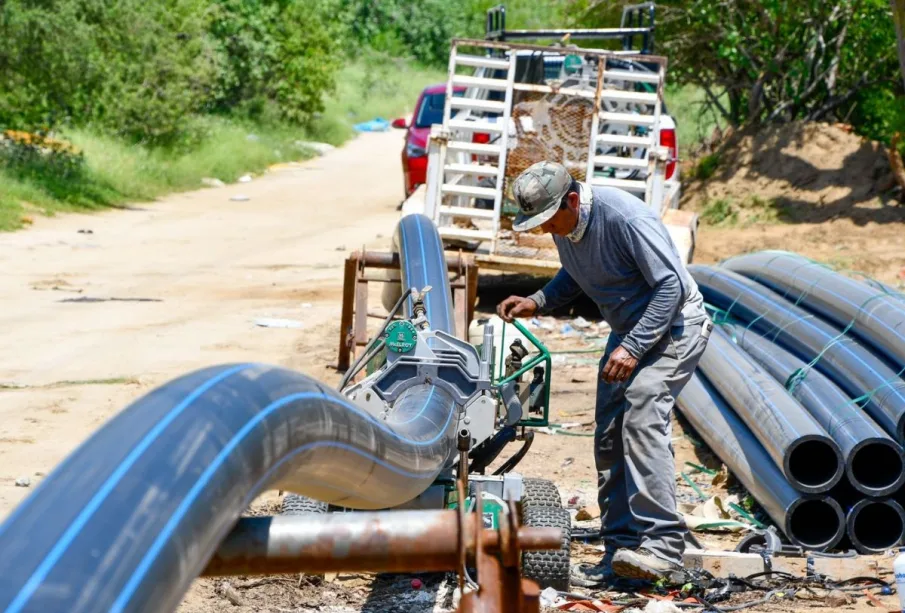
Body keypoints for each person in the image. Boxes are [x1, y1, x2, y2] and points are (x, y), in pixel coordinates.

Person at [497, 161, 712, 583]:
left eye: (548, 220)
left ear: (572, 200)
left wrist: (633, 347)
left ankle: (665, 548)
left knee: (644, 407)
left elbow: (669, 286)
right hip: (629, 331)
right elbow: (575, 274)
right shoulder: (569, 225)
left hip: (675, 326)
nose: (545, 231)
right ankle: (621, 553)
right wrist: (538, 300)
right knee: (610, 433)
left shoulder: (624, 218)